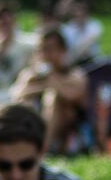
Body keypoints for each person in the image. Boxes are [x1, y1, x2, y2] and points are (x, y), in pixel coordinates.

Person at [10, 24, 87, 154]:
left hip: (66, 129)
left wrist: (50, 78)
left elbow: (74, 96)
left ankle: (42, 151)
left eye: (49, 49)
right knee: (25, 103)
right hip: (34, 121)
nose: (45, 54)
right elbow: (16, 96)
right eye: (41, 49)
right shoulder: (30, 74)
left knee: (53, 97)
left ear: (62, 51)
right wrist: (40, 84)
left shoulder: (74, 74)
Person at [61, 0, 102, 67]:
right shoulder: (68, 29)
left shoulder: (94, 25)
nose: (79, 15)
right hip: (74, 62)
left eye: (82, 12)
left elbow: (89, 43)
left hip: (92, 61)